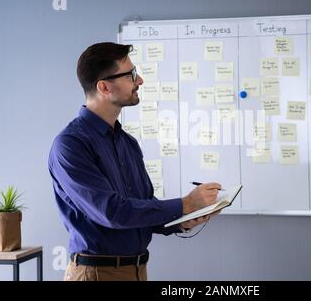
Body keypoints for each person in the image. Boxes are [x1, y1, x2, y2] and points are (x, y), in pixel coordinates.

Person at [48, 42, 221, 281]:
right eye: (130, 75)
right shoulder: (70, 145)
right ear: (104, 87)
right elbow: (111, 212)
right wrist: (185, 204)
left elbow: (141, 207)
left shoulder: (127, 143)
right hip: (96, 274)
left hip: (137, 271)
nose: (139, 80)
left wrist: (181, 221)